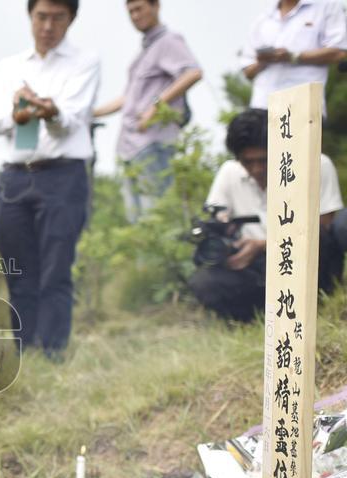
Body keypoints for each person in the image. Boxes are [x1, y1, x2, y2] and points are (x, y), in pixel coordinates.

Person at [0, 0, 100, 356]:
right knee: (18, 268)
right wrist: (17, 112)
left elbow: (72, 117)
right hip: (16, 176)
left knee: (55, 268)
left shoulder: (84, 61)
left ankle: (51, 353)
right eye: (42, 17)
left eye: (58, 17)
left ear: (71, 19)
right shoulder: (10, 66)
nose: (48, 25)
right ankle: (24, 350)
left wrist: (49, 110)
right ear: (31, 17)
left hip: (63, 175)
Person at [189, 108, 344, 321]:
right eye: (247, 161)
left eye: (264, 160)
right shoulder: (229, 173)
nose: (256, 169)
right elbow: (217, 222)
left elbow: (324, 229)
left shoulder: (316, 164)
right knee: (205, 282)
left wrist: (263, 244)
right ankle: (261, 315)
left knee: (321, 237)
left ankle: (313, 302)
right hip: (257, 269)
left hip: (303, 260)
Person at [93, 0, 202, 223]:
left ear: (155, 6)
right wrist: (91, 112)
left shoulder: (169, 41)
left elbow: (193, 72)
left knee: (157, 217)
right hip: (130, 147)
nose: (135, 15)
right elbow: (128, 98)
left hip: (154, 143)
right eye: (131, 11)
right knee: (138, 222)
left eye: (139, 8)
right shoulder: (144, 52)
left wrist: (155, 106)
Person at [241, 0, 347, 116]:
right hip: (261, 107)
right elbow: (247, 71)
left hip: (304, 107)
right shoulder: (263, 18)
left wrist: (292, 56)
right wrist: (264, 61)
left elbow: (339, 52)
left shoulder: (327, 6)